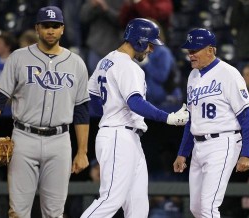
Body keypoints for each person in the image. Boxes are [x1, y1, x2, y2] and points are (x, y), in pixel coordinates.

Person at [0, 6, 90, 218]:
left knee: (55, 213)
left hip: (59, 140)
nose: (51, 30)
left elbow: (81, 110)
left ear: (62, 29)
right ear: (37, 28)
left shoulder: (77, 64)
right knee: (18, 211)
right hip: (24, 138)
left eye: (55, 26)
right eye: (46, 26)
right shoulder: (18, 58)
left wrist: (82, 151)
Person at [80, 18, 189, 218]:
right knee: (110, 199)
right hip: (118, 136)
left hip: (124, 136)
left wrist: (112, 109)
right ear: (139, 41)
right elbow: (135, 103)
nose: (151, 50)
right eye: (149, 44)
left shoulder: (106, 60)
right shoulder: (129, 66)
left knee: (138, 206)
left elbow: (94, 101)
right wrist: (168, 118)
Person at [173, 28, 249, 218]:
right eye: (189, 51)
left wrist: (247, 153)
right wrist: (182, 153)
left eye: (195, 50)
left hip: (223, 143)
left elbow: (246, 114)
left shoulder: (229, 73)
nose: (190, 55)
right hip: (198, 145)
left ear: (211, 50)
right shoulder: (192, 76)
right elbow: (192, 119)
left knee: (208, 208)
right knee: (196, 208)